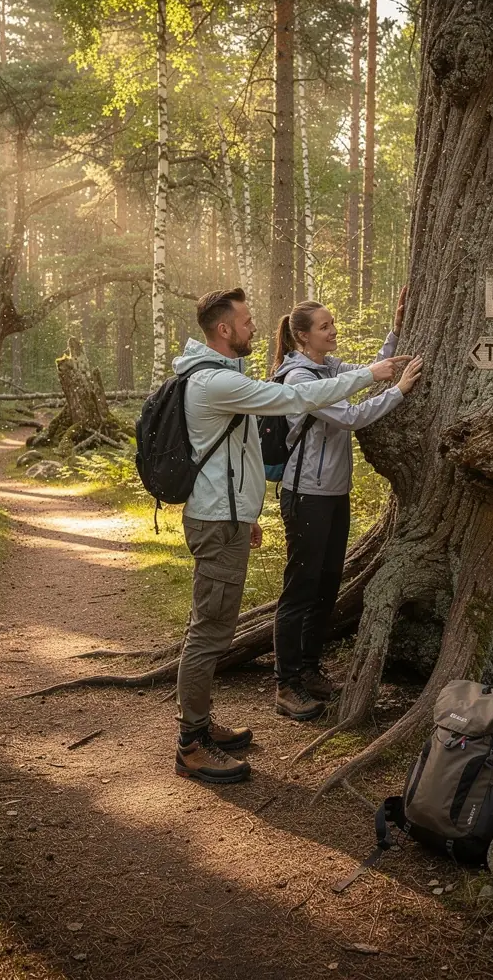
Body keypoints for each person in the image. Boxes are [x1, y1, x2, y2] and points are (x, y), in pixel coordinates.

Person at [173, 287, 410, 785]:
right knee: (210, 631)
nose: (255, 327)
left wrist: (249, 511)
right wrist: (376, 376)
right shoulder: (214, 382)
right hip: (219, 522)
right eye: (246, 320)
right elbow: (295, 397)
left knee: (217, 624)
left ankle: (203, 722)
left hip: (229, 517)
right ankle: (192, 743)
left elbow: (233, 457)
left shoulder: (222, 378)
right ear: (223, 329)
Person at [271, 293, 422, 720]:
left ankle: (310, 669)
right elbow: (352, 416)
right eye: (325, 326)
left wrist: (394, 332)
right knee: (301, 590)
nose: (333, 330)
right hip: (305, 496)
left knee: (326, 586)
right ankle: (286, 683)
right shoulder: (300, 379)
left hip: (333, 493)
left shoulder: (328, 368)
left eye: (333, 323)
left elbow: (364, 374)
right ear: (303, 336)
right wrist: (400, 392)